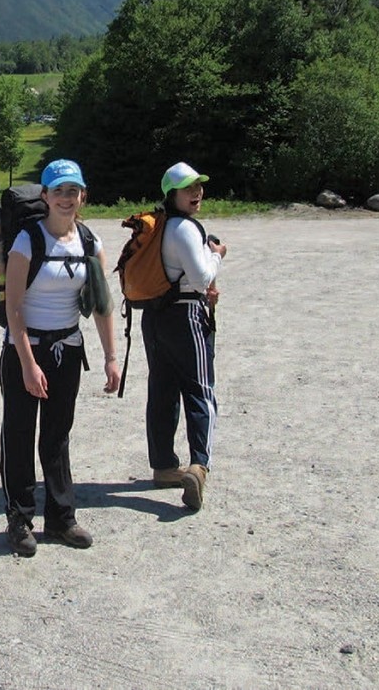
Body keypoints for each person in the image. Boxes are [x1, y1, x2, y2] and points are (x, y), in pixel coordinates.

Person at [0, 159, 121, 557]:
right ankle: (19, 519)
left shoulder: (89, 242)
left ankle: (61, 518)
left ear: (82, 195)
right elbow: (13, 308)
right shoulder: (27, 241)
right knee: (19, 434)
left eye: (74, 191)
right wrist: (28, 363)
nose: (67, 198)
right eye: (59, 191)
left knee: (57, 436)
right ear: (46, 196)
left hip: (67, 350)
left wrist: (110, 358)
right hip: (25, 348)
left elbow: (102, 305)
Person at [141, 161, 227, 512]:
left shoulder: (160, 226)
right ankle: (199, 465)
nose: (196, 193)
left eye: (198, 187)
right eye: (188, 188)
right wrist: (217, 254)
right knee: (200, 390)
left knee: (162, 389)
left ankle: (163, 466)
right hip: (186, 315)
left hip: (155, 316)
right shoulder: (185, 229)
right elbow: (202, 275)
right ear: (171, 194)